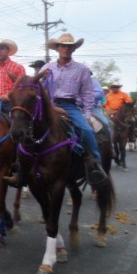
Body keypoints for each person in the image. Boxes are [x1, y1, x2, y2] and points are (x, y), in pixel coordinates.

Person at [34, 33, 109, 186]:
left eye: (69, 46)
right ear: (57, 48)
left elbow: (88, 94)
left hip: (70, 106)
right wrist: (42, 76)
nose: (66, 48)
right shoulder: (47, 67)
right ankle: (20, 165)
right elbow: (36, 87)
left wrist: (87, 114)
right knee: (24, 125)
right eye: (63, 45)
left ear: (74, 48)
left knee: (87, 130)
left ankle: (95, 164)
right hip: (48, 104)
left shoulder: (82, 69)